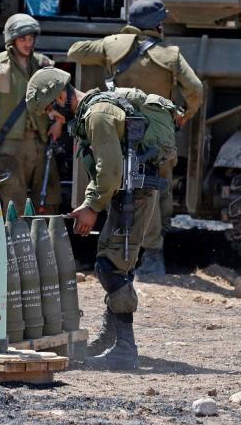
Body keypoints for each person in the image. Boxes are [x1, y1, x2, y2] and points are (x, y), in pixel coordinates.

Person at [25, 67, 177, 371]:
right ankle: (111, 338)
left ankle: (125, 348)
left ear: (59, 98)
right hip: (129, 193)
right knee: (116, 261)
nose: (50, 118)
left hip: (137, 193)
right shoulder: (90, 116)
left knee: (112, 266)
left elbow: (109, 170)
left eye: (48, 111)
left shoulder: (98, 115)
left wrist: (91, 206)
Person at [67, 0, 203, 275]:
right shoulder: (170, 55)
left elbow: (74, 52)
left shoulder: (112, 46)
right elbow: (195, 90)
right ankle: (154, 256)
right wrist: (183, 116)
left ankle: (127, 252)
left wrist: (113, 44)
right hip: (158, 135)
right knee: (157, 190)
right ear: (156, 25)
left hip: (120, 130)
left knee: (123, 186)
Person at [0, 14, 61, 212]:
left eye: (31, 38)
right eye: (23, 38)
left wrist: (58, 121)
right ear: (12, 40)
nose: (28, 43)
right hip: (9, 147)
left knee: (49, 200)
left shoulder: (44, 66)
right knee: (12, 204)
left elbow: (59, 99)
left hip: (40, 143)